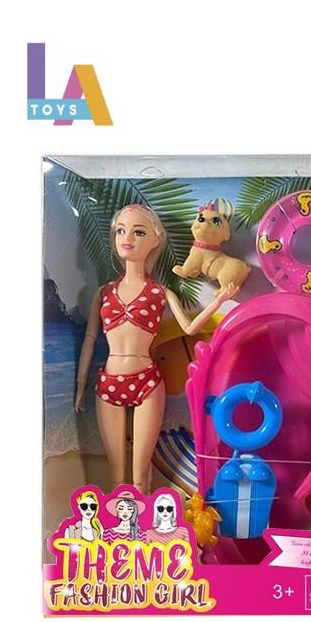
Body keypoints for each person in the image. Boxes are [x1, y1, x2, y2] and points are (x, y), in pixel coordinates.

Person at [74, 204, 236, 492]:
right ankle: (119, 520)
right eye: (120, 231)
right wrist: (79, 386)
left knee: (140, 477)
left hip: (147, 382)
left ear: (155, 239)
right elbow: (89, 338)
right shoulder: (104, 292)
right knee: (116, 476)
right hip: (108, 382)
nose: (127, 238)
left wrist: (217, 302)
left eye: (138, 232)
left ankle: (145, 515)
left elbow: (189, 328)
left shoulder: (159, 293)